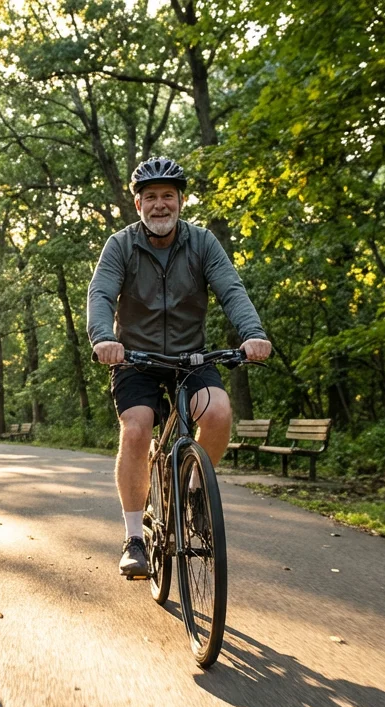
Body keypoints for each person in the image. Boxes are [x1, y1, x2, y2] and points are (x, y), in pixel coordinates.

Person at [87, 157, 273, 579]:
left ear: (181, 201)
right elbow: (100, 294)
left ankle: (193, 492)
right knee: (136, 428)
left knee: (220, 411)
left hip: (192, 359)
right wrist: (104, 338)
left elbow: (231, 290)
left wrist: (252, 334)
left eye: (167, 196)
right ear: (138, 204)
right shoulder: (120, 245)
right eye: (150, 197)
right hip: (135, 359)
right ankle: (134, 537)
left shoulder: (203, 242)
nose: (159, 205)